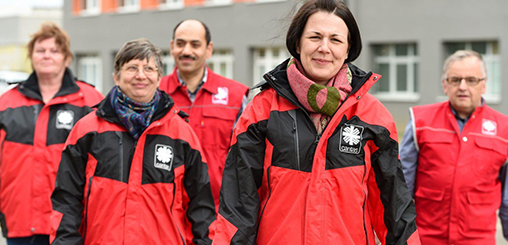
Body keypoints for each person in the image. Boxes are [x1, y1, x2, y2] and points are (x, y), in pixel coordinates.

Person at [212, 0, 420, 244]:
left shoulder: (373, 116)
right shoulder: (262, 110)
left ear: (348, 48)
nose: (324, 48)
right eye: (315, 37)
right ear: (298, 43)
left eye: (335, 39)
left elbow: (394, 209)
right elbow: (238, 207)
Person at [50, 38, 216, 245]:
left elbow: (201, 207)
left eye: (149, 68)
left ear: (158, 78)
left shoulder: (181, 134)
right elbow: (67, 200)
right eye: (132, 68)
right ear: (116, 77)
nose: (140, 75)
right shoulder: (87, 131)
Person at [0, 22, 104, 245]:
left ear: (67, 58)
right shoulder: (6, 103)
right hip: (19, 221)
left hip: (71, 224)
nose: (47, 56)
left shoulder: (91, 100)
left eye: (55, 51)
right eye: (40, 50)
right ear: (31, 56)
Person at [400, 50, 508, 244]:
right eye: (455, 80)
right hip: (426, 238)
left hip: (477, 240)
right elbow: (402, 187)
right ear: (445, 84)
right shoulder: (421, 122)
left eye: (471, 80)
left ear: (484, 84)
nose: (463, 87)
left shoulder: (504, 129)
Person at [159, 19, 249, 207]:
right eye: (181, 44)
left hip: (217, 214)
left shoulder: (234, 97)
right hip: (164, 213)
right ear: (172, 47)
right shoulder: (156, 94)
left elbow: (246, 162)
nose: (186, 51)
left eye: (195, 44)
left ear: (209, 49)